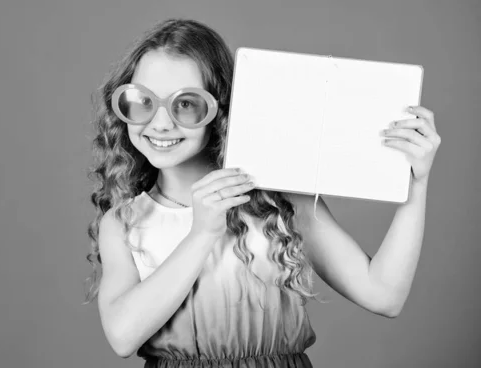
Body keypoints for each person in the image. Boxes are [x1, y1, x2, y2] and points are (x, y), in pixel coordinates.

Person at [83, 18, 441, 368]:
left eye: (187, 103)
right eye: (143, 100)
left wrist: (416, 184)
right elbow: (122, 336)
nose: (160, 123)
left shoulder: (278, 202)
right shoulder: (124, 223)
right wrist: (202, 233)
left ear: (221, 108)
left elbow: (385, 295)